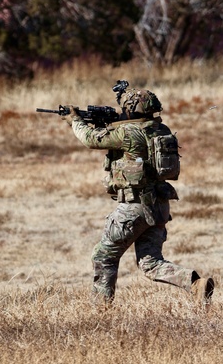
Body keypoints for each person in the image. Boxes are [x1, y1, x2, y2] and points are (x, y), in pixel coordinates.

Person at [65, 86, 213, 303]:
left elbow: (90, 139)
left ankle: (100, 310)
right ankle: (195, 284)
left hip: (133, 207)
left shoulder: (128, 133)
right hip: (158, 206)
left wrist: (75, 120)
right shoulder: (161, 129)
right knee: (151, 263)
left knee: (103, 256)